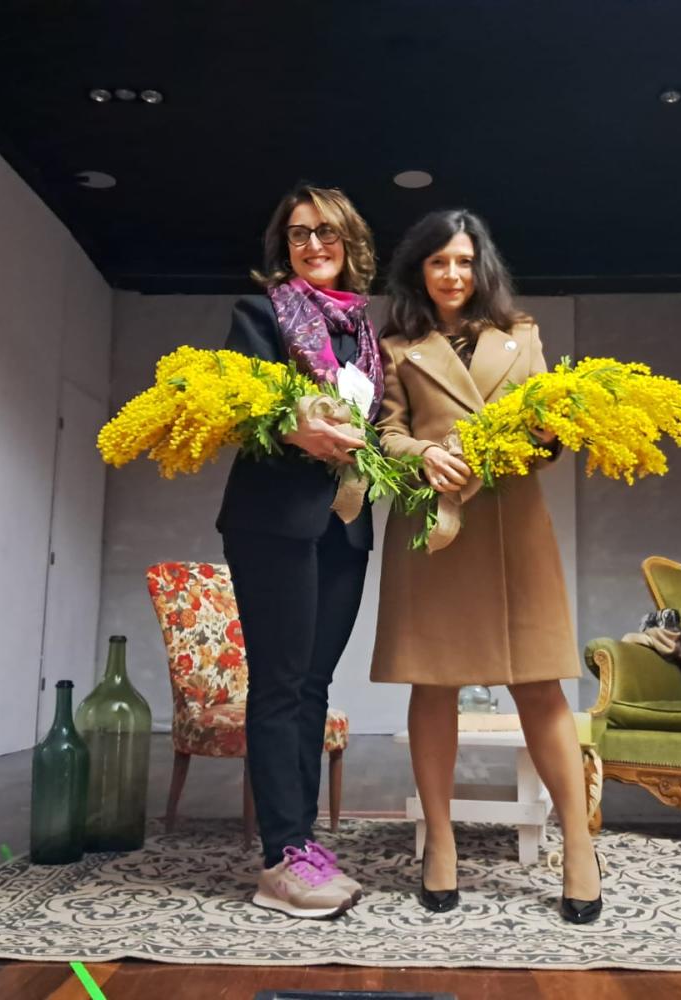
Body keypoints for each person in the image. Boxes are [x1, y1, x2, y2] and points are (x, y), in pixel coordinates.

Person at [371, 208, 602, 923]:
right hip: (434, 525)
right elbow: (383, 433)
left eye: (465, 261)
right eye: (439, 261)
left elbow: (547, 433)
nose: (453, 274)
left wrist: (545, 434)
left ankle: (578, 848)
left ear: (482, 268)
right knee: (433, 683)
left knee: (540, 684)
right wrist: (422, 454)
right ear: (418, 270)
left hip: (512, 525)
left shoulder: (521, 335)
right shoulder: (396, 347)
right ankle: (439, 845)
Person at [216, 184, 380, 919]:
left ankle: (303, 843)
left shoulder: (364, 334)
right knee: (280, 684)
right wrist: (294, 428)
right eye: (298, 234)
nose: (313, 245)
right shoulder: (259, 315)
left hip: (346, 524)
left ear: (350, 241)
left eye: (326, 232)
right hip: (273, 519)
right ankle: (281, 862)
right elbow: (239, 405)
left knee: (313, 684)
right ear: (283, 247)